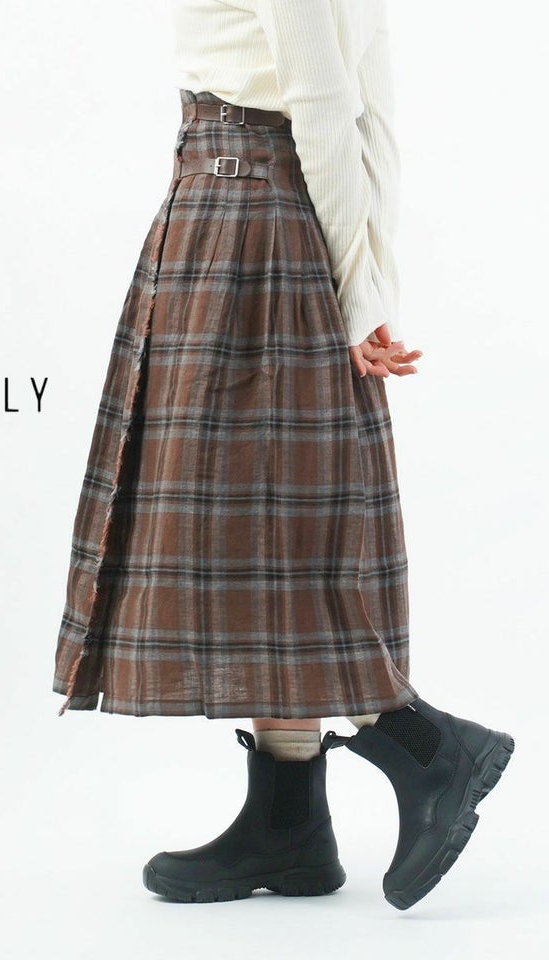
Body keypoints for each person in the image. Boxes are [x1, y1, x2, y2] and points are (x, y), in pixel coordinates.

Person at [51, 0, 514, 910]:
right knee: (271, 519)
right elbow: (372, 119)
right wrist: (368, 279)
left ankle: (430, 747)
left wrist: (361, 295)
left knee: (258, 530)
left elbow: (330, 105)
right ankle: (288, 821)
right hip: (259, 212)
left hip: (245, 215)